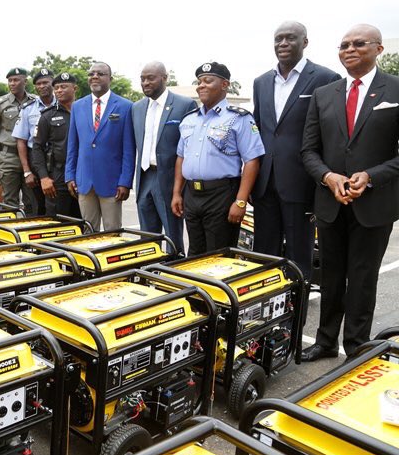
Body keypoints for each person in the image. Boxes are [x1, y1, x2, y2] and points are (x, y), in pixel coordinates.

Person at [300, 24, 399, 360]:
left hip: (374, 204)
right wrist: (328, 177)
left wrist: (370, 176)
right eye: (343, 45)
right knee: (330, 275)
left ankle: (357, 345)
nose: (349, 50)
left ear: (379, 49)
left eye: (359, 44)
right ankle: (326, 341)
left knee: (362, 276)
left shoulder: (395, 91)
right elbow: (308, 151)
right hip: (330, 202)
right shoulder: (324, 94)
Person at [252, 21, 341, 281]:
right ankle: (266, 312)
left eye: (290, 38)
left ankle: (297, 316)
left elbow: (330, 134)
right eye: (278, 39)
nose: (283, 44)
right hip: (265, 183)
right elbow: (260, 130)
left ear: (305, 42)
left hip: (301, 182)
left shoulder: (326, 79)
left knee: (298, 255)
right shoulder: (261, 82)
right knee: (263, 254)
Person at [172, 62, 264, 255]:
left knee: (219, 255)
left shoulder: (239, 118)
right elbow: (181, 157)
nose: (201, 86)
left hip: (221, 194)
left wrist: (240, 202)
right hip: (192, 194)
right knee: (194, 253)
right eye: (199, 82)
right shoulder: (189, 119)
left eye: (207, 81)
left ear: (224, 85)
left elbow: (252, 160)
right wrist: (176, 193)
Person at [133, 62, 195, 255]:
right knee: (147, 240)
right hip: (144, 177)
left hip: (169, 179)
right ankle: (149, 273)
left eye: (150, 78)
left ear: (164, 78)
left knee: (172, 237)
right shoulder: (137, 107)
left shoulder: (184, 105)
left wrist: (180, 188)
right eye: (142, 78)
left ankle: (174, 274)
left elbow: (188, 148)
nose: (145, 82)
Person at [65, 62, 134, 231]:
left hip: (112, 183)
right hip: (84, 181)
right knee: (88, 232)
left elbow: (129, 149)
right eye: (91, 74)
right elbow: (73, 145)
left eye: (100, 74)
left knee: (112, 232)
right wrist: (70, 176)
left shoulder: (125, 106)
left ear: (110, 78)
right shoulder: (78, 106)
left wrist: (125, 181)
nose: (95, 76)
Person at [0, 68, 36, 210]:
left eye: (16, 80)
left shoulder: (35, 102)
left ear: (25, 81)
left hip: (30, 157)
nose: (12, 83)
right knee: (8, 202)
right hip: (8, 157)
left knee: (31, 200)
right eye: (10, 80)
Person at [32, 72, 81, 218]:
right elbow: (37, 147)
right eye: (57, 88)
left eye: (64, 87)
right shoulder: (48, 115)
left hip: (82, 172)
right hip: (58, 173)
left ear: (75, 88)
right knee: (58, 219)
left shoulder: (85, 111)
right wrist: (44, 178)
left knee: (83, 219)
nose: (59, 90)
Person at [14, 68, 55, 215]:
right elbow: (21, 141)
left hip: (58, 159)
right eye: (38, 84)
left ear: (53, 83)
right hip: (36, 159)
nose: (42, 86)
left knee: (58, 205)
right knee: (38, 206)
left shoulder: (63, 105)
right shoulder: (28, 109)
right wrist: (27, 171)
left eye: (46, 82)